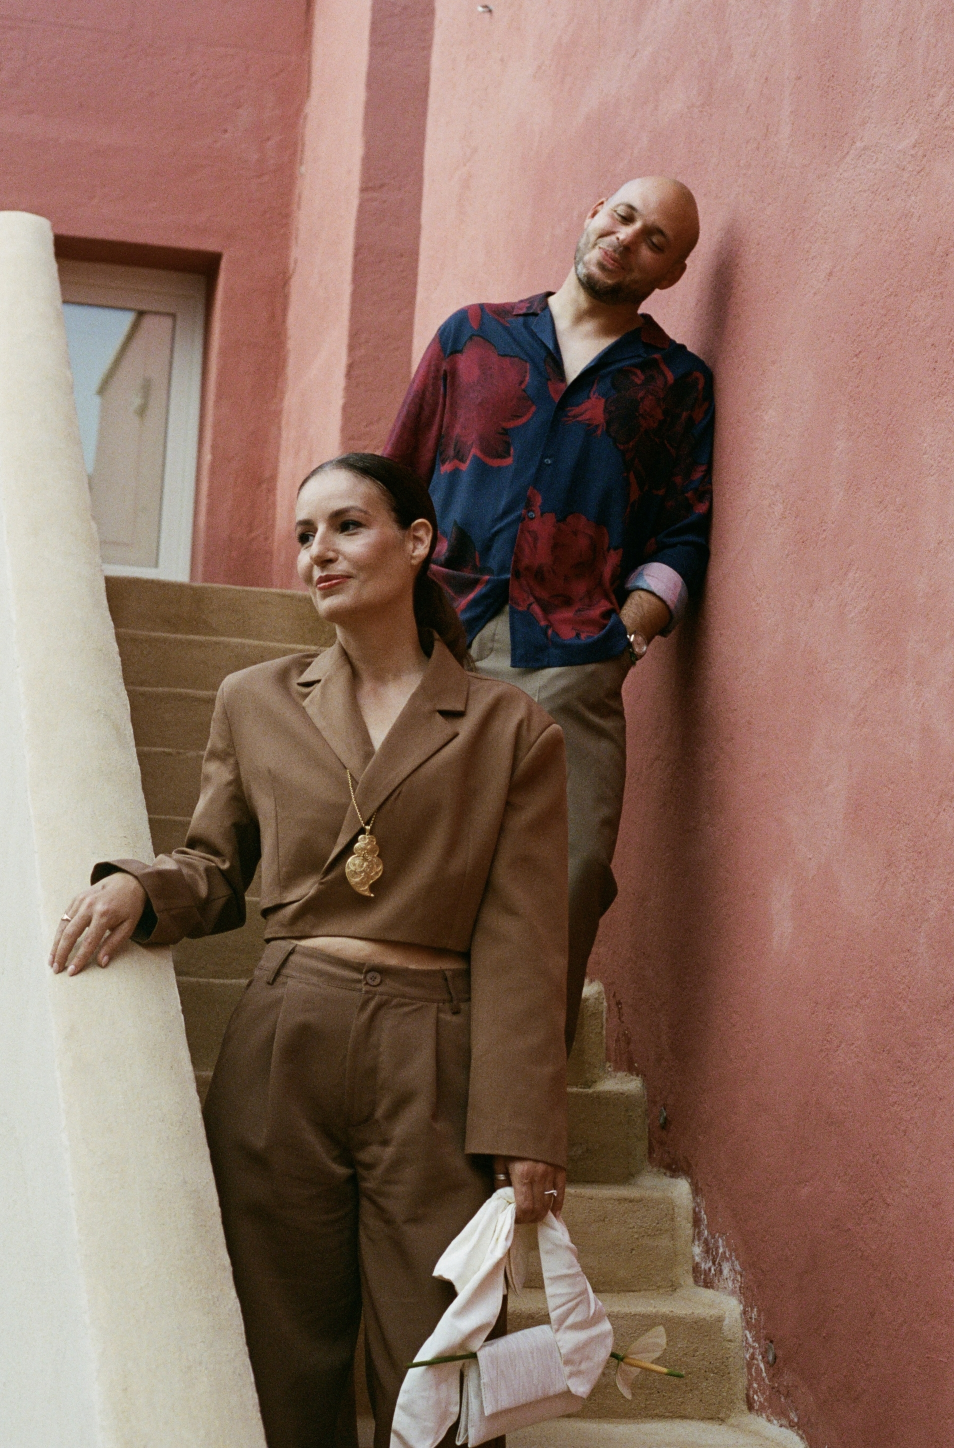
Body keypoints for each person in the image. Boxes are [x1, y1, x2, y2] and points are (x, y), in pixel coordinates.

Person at [49, 453, 570, 1448]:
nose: (317, 553)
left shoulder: (509, 726)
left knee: (444, 1352)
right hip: (286, 1037)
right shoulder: (254, 700)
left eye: (346, 527)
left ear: (416, 543)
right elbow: (215, 867)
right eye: (302, 535)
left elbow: (524, 940)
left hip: (434, 1053)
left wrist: (526, 1129)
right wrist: (141, 887)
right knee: (281, 1352)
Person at [385, 176, 713, 1050]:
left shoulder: (678, 382)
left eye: (655, 239)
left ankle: (521, 1095)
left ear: (672, 273)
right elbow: (396, 479)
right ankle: (408, 1071)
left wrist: (629, 632)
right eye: (623, 216)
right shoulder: (472, 334)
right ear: (594, 212)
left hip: (573, 653)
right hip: (434, 636)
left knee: (568, 872)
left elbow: (684, 530)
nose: (628, 238)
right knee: (414, 860)